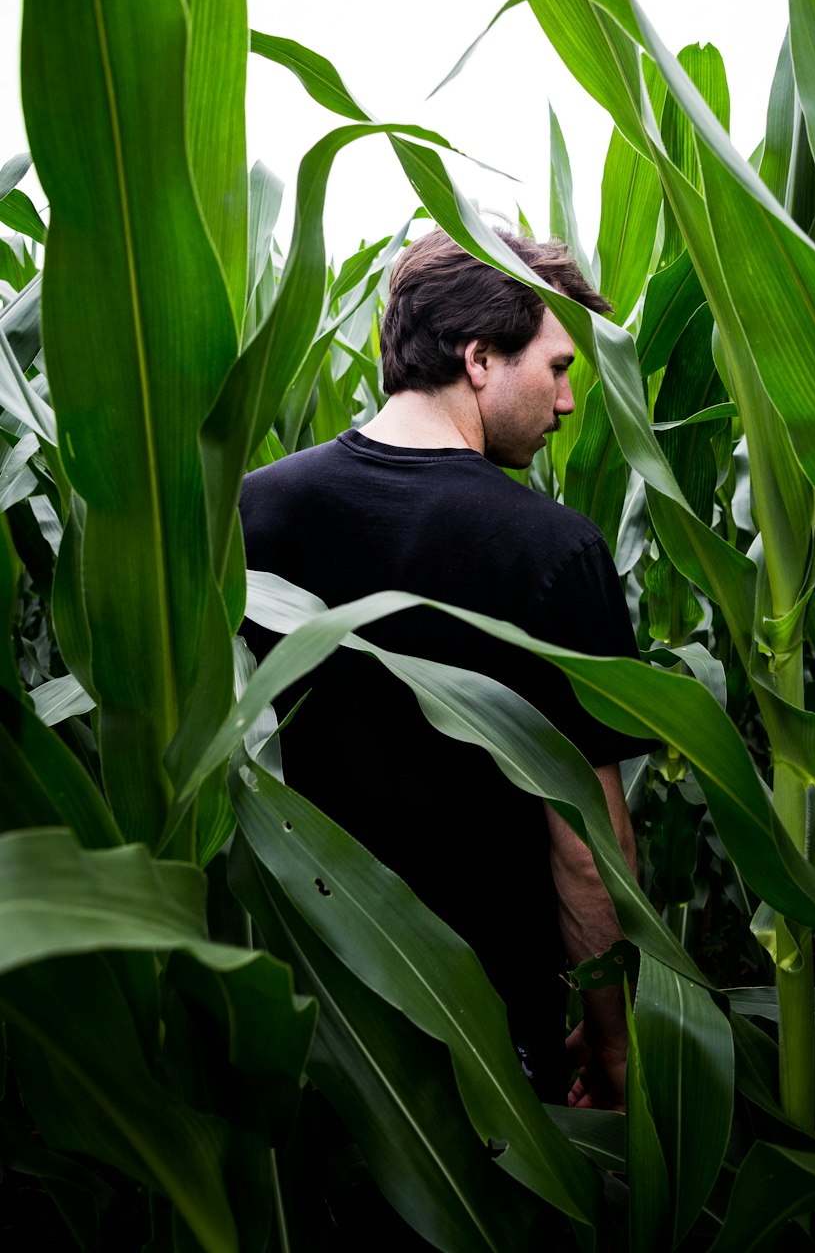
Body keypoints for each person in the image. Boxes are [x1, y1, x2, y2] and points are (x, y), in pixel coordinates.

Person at [239, 227, 650, 1109]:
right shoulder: (552, 551)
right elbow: (586, 848)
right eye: (557, 367)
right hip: (491, 1041)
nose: (569, 401)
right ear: (478, 359)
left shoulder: (251, 513)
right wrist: (613, 1037)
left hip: (293, 1025)